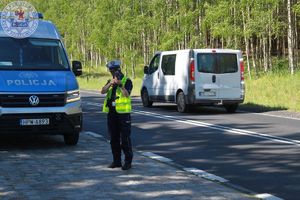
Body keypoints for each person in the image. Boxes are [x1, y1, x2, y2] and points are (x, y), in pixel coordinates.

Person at [101, 60, 133, 170]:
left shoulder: (127, 80)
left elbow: (126, 95)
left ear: (119, 70)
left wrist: (120, 85)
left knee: (125, 139)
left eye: (114, 71)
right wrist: (110, 83)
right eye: (111, 72)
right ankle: (117, 161)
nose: (113, 74)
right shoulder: (110, 81)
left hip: (123, 115)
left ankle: (128, 161)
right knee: (113, 139)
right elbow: (102, 91)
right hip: (112, 114)